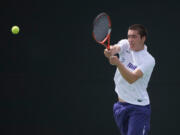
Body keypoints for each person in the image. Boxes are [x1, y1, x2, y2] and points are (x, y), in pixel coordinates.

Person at [104, 24, 155, 135]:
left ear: (143, 38)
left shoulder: (148, 60)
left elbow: (131, 78)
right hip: (120, 107)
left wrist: (118, 63)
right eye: (129, 36)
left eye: (134, 37)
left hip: (138, 109)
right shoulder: (125, 44)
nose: (130, 40)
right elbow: (115, 48)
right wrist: (110, 51)